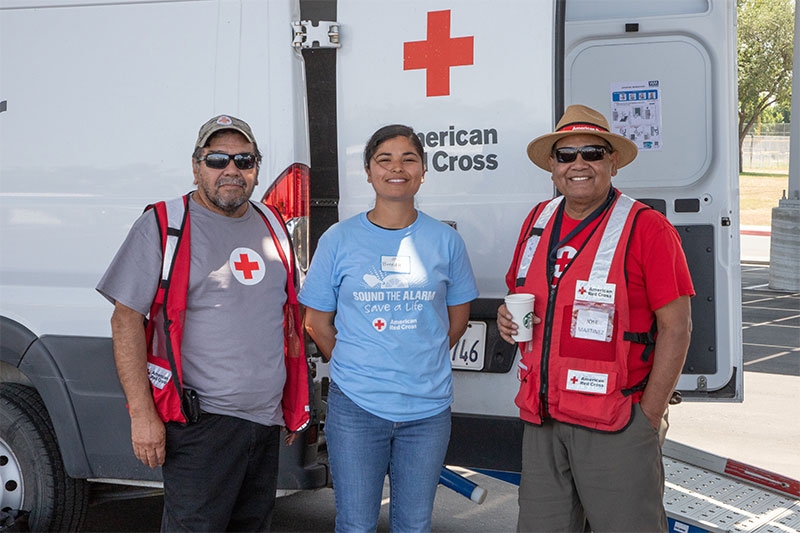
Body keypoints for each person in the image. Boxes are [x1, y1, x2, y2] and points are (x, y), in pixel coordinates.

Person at [97, 114, 309, 532]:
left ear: (256, 169)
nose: (231, 169)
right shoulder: (163, 225)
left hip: (264, 425)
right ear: (196, 166)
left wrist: (292, 403)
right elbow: (125, 322)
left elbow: (286, 320)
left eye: (244, 160)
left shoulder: (273, 226)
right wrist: (142, 415)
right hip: (201, 426)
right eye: (217, 159)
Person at [497, 104, 694, 532]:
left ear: (613, 162)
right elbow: (520, 294)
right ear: (552, 166)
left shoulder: (648, 228)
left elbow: (676, 328)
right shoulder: (538, 220)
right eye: (566, 156)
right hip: (544, 420)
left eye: (593, 152)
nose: (579, 164)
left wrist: (648, 417)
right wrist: (505, 318)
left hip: (617, 422)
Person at [299, 124, 479, 532]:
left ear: (422, 171)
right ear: (368, 172)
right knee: (356, 525)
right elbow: (316, 322)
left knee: (414, 525)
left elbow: (457, 319)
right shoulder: (338, 239)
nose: (396, 168)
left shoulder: (445, 240)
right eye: (385, 159)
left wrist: (418, 355)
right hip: (357, 408)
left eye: (408, 159)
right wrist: (358, 360)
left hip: (427, 410)